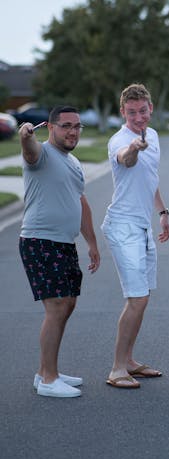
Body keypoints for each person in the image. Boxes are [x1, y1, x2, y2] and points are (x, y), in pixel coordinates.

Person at [19, 105, 100, 398]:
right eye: (66, 126)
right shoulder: (41, 155)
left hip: (64, 244)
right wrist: (25, 136)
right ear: (50, 127)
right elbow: (29, 151)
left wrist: (91, 243)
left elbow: (81, 203)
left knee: (68, 305)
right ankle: (49, 380)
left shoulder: (74, 162)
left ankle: (45, 371)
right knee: (56, 308)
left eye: (77, 126)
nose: (73, 131)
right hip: (40, 241)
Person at [101, 83, 169, 389]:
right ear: (122, 113)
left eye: (143, 111)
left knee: (143, 298)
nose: (138, 117)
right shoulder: (120, 140)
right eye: (132, 113)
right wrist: (133, 149)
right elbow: (126, 160)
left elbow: (149, 178)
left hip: (142, 225)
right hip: (122, 224)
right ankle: (117, 368)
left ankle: (129, 361)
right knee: (137, 297)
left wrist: (163, 211)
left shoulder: (153, 136)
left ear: (151, 109)